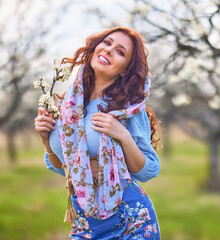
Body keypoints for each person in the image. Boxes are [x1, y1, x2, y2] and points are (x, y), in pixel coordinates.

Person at [34, 27, 161, 239]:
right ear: (95, 48)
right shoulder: (68, 105)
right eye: (107, 43)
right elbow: (63, 168)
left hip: (129, 219)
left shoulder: (127, 109)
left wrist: (122, 134)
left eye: (120, 52)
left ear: (124, 70)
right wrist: (46, 140)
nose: (109, 50)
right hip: (85, 219)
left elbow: (148, 171)